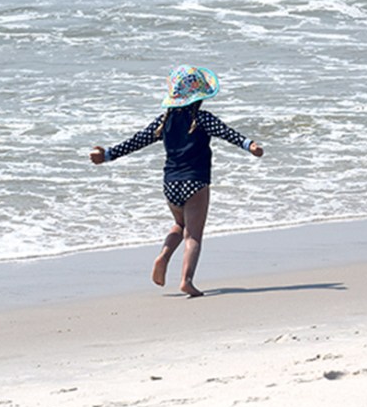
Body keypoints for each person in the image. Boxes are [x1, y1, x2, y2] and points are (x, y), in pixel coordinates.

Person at [90, 65, 264, 297]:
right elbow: (227, 133)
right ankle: (186, 280)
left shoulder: (164, 120)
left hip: (170, 183)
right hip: (196, 182)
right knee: (193, 235)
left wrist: (108, 154)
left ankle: (164, 254)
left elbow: (136, 141)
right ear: (199, 97)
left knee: (180, 225)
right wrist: (249, 145)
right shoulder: (203, 119)